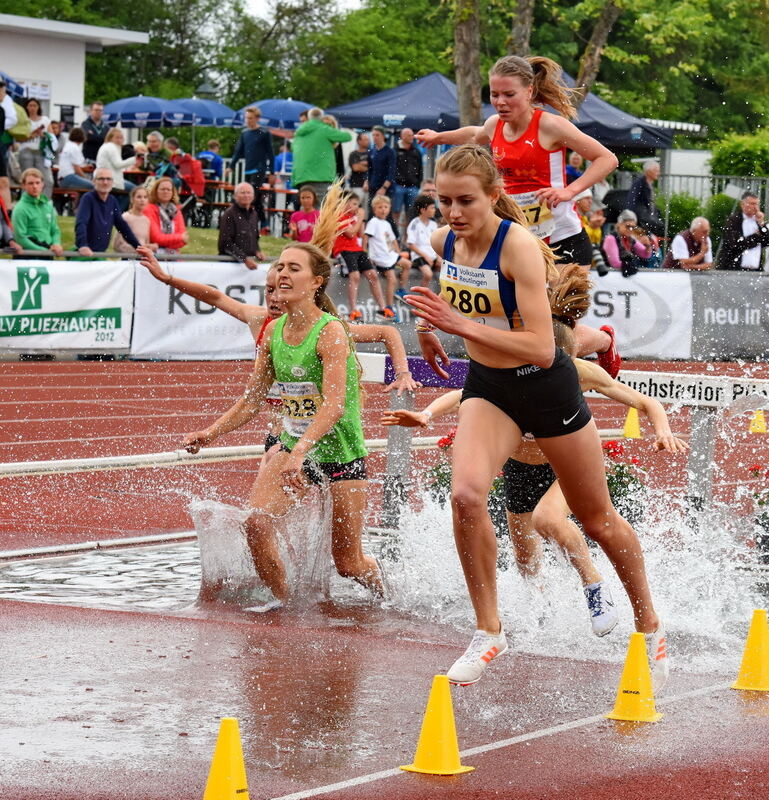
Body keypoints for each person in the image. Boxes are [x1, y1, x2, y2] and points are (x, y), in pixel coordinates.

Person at [405, 144, 666, 688]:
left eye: (465, 201)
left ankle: (649, 624)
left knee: (596, 520)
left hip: (544, 386)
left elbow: (545, 348)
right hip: (489, 386)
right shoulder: (441, 241)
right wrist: (431, 329)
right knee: (466, 496)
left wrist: (458, 326)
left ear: (494, 196)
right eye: (443, 200)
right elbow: (452, 299)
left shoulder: (518, 247)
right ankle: (488, 631)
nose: (453, 213)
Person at [385, 264, 687, 647]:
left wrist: (661, 428)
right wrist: (426, 414)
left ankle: (594, 584)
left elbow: (644, 402)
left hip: (565, 467)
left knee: (549, 519)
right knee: (527, 564)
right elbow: (463, 395)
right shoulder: (510, 372)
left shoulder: (576, 371)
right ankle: (542, 621)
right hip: (521, 468)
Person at [178, 185, 393, 605]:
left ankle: (394, 594)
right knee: (257, 524)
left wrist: (299, 454)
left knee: (348, 563)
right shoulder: (272, 331)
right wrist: (211, 433)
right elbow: (252, 400)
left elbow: (333, 405)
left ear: (315, 282)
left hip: (340, 454)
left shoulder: (331, 332)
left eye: (293, 268)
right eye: (279, 266)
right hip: (295, 445)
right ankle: (286, 606)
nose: (281, 274)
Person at [415, 55, 620, 373]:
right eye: (494, 95)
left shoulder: (549, 126)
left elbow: (606, 159)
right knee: (515, 326)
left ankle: (604, 343)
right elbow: (473, 134)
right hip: (515, 243)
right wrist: (438, 137)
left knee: (553, 332)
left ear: (529, 91)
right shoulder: (494, 126)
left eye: (509, 94)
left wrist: (568, 192)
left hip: (561, 239)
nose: (500, 102)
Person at [332, 192, 391, 321]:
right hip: (344, 250)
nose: (355, 207)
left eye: (357, 205)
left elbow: (360, 233)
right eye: (353, 204)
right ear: (345, 203)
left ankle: (382, 308)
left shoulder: (354, 217)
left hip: (357, 249)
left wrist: (360, 220)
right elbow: (351, 233)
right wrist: (360, 218)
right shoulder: (339, 217)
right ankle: (353, 310)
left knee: (373, 275)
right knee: (355, 276)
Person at [75, 167, 141, 256]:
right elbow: (81, 223)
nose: (105, 182)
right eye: (101, 179)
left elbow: (122, 226)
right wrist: (82, 245)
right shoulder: (88, 198)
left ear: (113, 182)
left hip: (101, 253)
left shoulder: (112, 201)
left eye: (108, 179)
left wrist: (138, 247)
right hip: (86, 253)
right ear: (94, 181)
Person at [227, 107, 274, 229]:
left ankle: (260, 222)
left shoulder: (264, 133)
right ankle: (259, 223)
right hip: (248, 168)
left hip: (259, 169)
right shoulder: (244, 133)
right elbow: (238, 151)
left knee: (251, 195)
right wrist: (231, 167)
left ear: (257, 119)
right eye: (246, 118)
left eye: (250, 118)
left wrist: (272, 172)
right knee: (252, 197)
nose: (248, 120)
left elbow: (270, 153)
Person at [292, 107, 352, 202]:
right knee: (319, 208)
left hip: (301, 176)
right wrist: (331, 128)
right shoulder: (324, 129)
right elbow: (347, 137)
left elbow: (293, 149)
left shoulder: (298, 133)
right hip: (320, 176)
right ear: (321, 117)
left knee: (306, 206)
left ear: (309, 117)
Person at [365, 195, 410, 319]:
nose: (383, 209)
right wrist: (365, 252)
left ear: (389, 208)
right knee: (392, 278)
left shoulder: (387, 223)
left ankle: (401, 290)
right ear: (374, 209)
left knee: (407, 264)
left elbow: (392, 240)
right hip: (381, 257)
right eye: (380, 207)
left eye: (385, 207)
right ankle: (389, 307)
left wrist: (398, 252)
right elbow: (366, 237)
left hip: (390, 254)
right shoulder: (373, 222)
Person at [11, 168, 63, 256]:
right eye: (30, 183)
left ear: (42, 184)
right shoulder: (20, 208)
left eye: (37, 183)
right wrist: (42, 251)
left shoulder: (48, 205)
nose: (35, 186)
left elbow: (55, 230)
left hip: (47, 251)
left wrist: (56, 243)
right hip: (28, 255)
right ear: (23, 185)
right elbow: (20, 237)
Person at [399, 192, 440, 299]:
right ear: (423, 210)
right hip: (419, 256)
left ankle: (443, 300)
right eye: (432, 208)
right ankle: (422, 301)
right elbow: (411, 244)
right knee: (428, 274)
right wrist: (425, 256)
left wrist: (439, 257)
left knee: (446, 272)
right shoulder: (414, 223)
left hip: (432, 256)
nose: (434, 210)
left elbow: (437, 244)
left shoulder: (434, 224)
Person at [716, 191, 769, 271]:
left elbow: (766, 242)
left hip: (755, 270)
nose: (755, 207)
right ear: (742, 204)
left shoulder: (757, 222)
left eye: (757, 204)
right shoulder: (733, 221)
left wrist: (762, 225)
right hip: (733, 268)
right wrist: (757, 236)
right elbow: (736, 243)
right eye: (752, 204)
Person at [218, 182, 265, 269]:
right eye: (242, 192)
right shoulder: (229, 214)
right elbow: (225, 243)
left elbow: (255, 238)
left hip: (248, 265)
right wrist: (244, 258)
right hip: (230, 265)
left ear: (253, 196)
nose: (246, 195)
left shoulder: (254, 214)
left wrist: (257, 251)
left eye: (248, 192)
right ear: (235, 196)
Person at [96, 128, 144, 210]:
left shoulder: (106, 146)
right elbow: (118, 164)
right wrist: (134, 160)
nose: (120, 140)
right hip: (111, 180)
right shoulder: (111, 147)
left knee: (127, 192)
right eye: (117, 137)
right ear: (110, 138)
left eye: (121, 137)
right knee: (135, 190)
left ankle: (114, 211)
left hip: (104, 178)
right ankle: (117, 213)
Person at [17, 98, 53, 197]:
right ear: (26, 107)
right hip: (26, 150)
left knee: (47, 180)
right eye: (30, 105)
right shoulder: (23, 121)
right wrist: (28, 136)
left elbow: (52, 137)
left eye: (34, 105)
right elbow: (17, 138)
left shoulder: (45, 120)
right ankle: (26, 202)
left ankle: (45, 202)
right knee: (27, 178)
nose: (32, 108)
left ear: (38, 107)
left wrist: (43, 135)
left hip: (41, 151)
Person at [144, 176, 188, 255]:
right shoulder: (148, 209)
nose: (166, 192)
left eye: (168, 190)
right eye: (162, 189)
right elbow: (156, 238)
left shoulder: (176, 211)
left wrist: (166, 242)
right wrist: (179, 237)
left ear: (172, 192)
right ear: (156, 191)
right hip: (153, 254)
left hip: (174, 254)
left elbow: (183, 241)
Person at [602, 209, 653, 277]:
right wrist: (632, 265)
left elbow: (645, 255)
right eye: (628, 226)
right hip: (606, 276)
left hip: (617, 276)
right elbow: (615, 264)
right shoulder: (611, 239)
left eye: (633, 227)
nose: (630, 229)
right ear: (619, 224)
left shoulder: (630, 239)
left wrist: (648, 245)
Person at [393, 128, 423, 230]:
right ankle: (395, 235)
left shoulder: (416, 151)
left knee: (410, 213)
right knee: (395, 211)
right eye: (409, 135)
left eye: (412, 135)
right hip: (398, 186)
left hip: (412, 186)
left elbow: (420, 168)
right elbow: (391, 168)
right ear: (402, 136)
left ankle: (407, 238)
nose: (412, 137)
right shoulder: (395, 150)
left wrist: (418, 184)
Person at [113, 186, 157, 253]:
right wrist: (140, 249)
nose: (142, 200)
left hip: (141, 259)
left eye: (145, 197)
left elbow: (145, 242)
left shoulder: (146, 220)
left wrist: (150, 247)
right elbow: (117, 245)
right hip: (127, 259)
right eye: (139, 197)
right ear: (132, 199)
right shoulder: (125, 217)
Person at [626, 159, 663, 236]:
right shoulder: (639, 183)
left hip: (648, 219)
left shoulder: (649, 184)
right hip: (640, 219)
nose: (659, 173)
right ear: (649, 171)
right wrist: (630, 217)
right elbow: (631, 199)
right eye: (656, 171)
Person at [368, 126, 396, 210]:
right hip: (373, 187)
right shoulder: (372, 151)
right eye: (373, 135)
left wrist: (384, 188)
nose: (375, 137)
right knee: (372, 212)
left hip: (386, 188)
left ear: (383, 136)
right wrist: (367, 182)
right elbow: (370, 169)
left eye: (377, 135)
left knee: (385, 213)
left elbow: (392, 172)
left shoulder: (390, 152)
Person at [0, 79, 18, 209]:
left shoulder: (2, 110)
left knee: (4, 181)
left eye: (3, 90)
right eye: (1, 91)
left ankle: (8, 217)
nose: (3, 94)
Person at [347, 132, 370, 206]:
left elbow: (375, 168)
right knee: (355, 207)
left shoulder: (371, 153)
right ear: (359, 141)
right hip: (356, 184)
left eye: (368, 139)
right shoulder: (353, 154)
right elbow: (355, 168)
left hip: (369, 185)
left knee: (366, 211)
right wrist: (368, 166)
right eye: (365, 139)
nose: (368, 141)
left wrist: (361, 164)